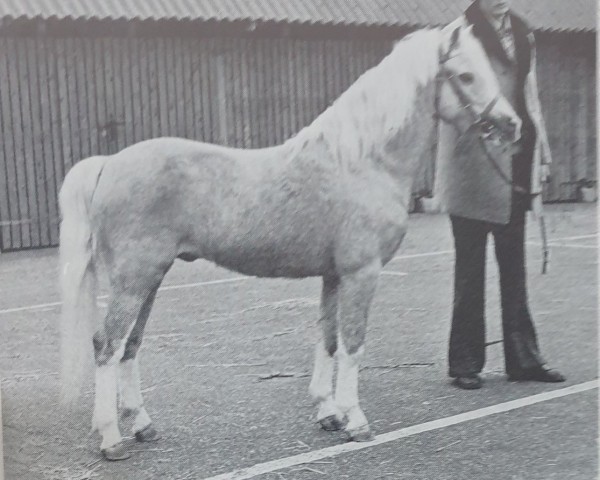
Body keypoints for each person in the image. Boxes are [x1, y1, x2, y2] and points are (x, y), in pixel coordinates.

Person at [434, 0, 565, 389]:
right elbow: (449, 101)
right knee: (469, 270)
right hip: (472, 166)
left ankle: (523, 359)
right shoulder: (456, 34)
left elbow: (530, 96)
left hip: (515, 165)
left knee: (514, 268)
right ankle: (465, 363)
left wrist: (542, 149)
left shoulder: (524, 33)